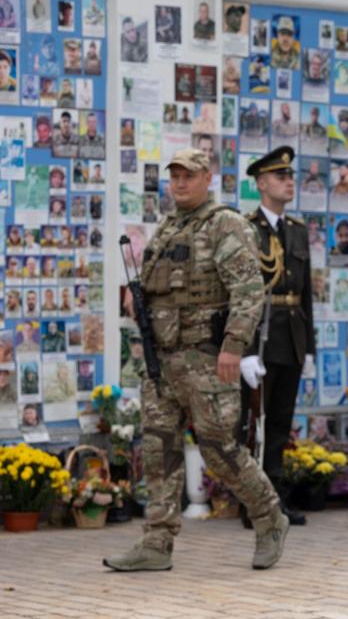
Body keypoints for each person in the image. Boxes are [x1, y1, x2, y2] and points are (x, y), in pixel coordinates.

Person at [104, 148, 289, 572]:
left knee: (220, 450)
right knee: (158, 448)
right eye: (175, 176)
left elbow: (248, 290)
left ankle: (269, 518)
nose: (180, 183)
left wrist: (233, 347)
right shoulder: (169, 227)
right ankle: (156, 542)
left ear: (207, 177)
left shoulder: (224, 223)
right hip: (162, 362)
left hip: (207, 360)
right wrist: (136, 298)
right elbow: (158, 286)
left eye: (188, 175)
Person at [240, 146, 315, 528]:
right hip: (261, 337)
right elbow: (240, 293)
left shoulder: (297, 231)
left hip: (291, 337)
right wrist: (245, 350)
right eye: (280, 176)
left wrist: (311, 347)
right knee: (253, 422)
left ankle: (275, 499)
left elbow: (306, 295)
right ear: (261, 183)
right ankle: (252, 502)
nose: (288, 182)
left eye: (290, 176)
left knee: (280, 423)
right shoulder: (246, 228)